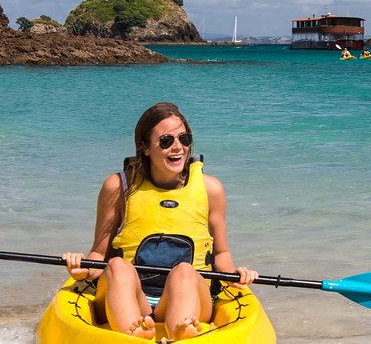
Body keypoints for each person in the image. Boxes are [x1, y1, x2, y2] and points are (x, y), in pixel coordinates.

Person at [62, 102, 257, 341]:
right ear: (144, 147)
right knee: (117, 266)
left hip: (188, 296)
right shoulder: (117, 187)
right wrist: (82, 268)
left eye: (184, 139)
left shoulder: (211, 189)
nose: (178, 148)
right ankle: (133, 333)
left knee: (185, 271)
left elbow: (221, 253)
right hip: (131, 295)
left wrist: (235, 276)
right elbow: (98, 254)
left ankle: (181, 329)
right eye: (166, 141)